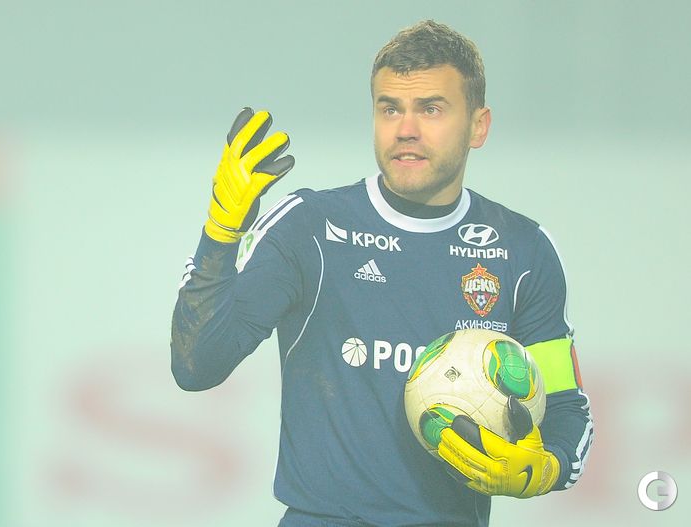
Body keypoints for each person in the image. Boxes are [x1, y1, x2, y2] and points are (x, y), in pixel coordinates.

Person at [171, 20, 593, 527]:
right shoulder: (309, 226)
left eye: (431, 109)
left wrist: (546, 468)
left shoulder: (524, 251)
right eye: (389, 108)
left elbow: (566, 408)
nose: (405, 129)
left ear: (478, 126)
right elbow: (196, 366)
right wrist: (220, 233)